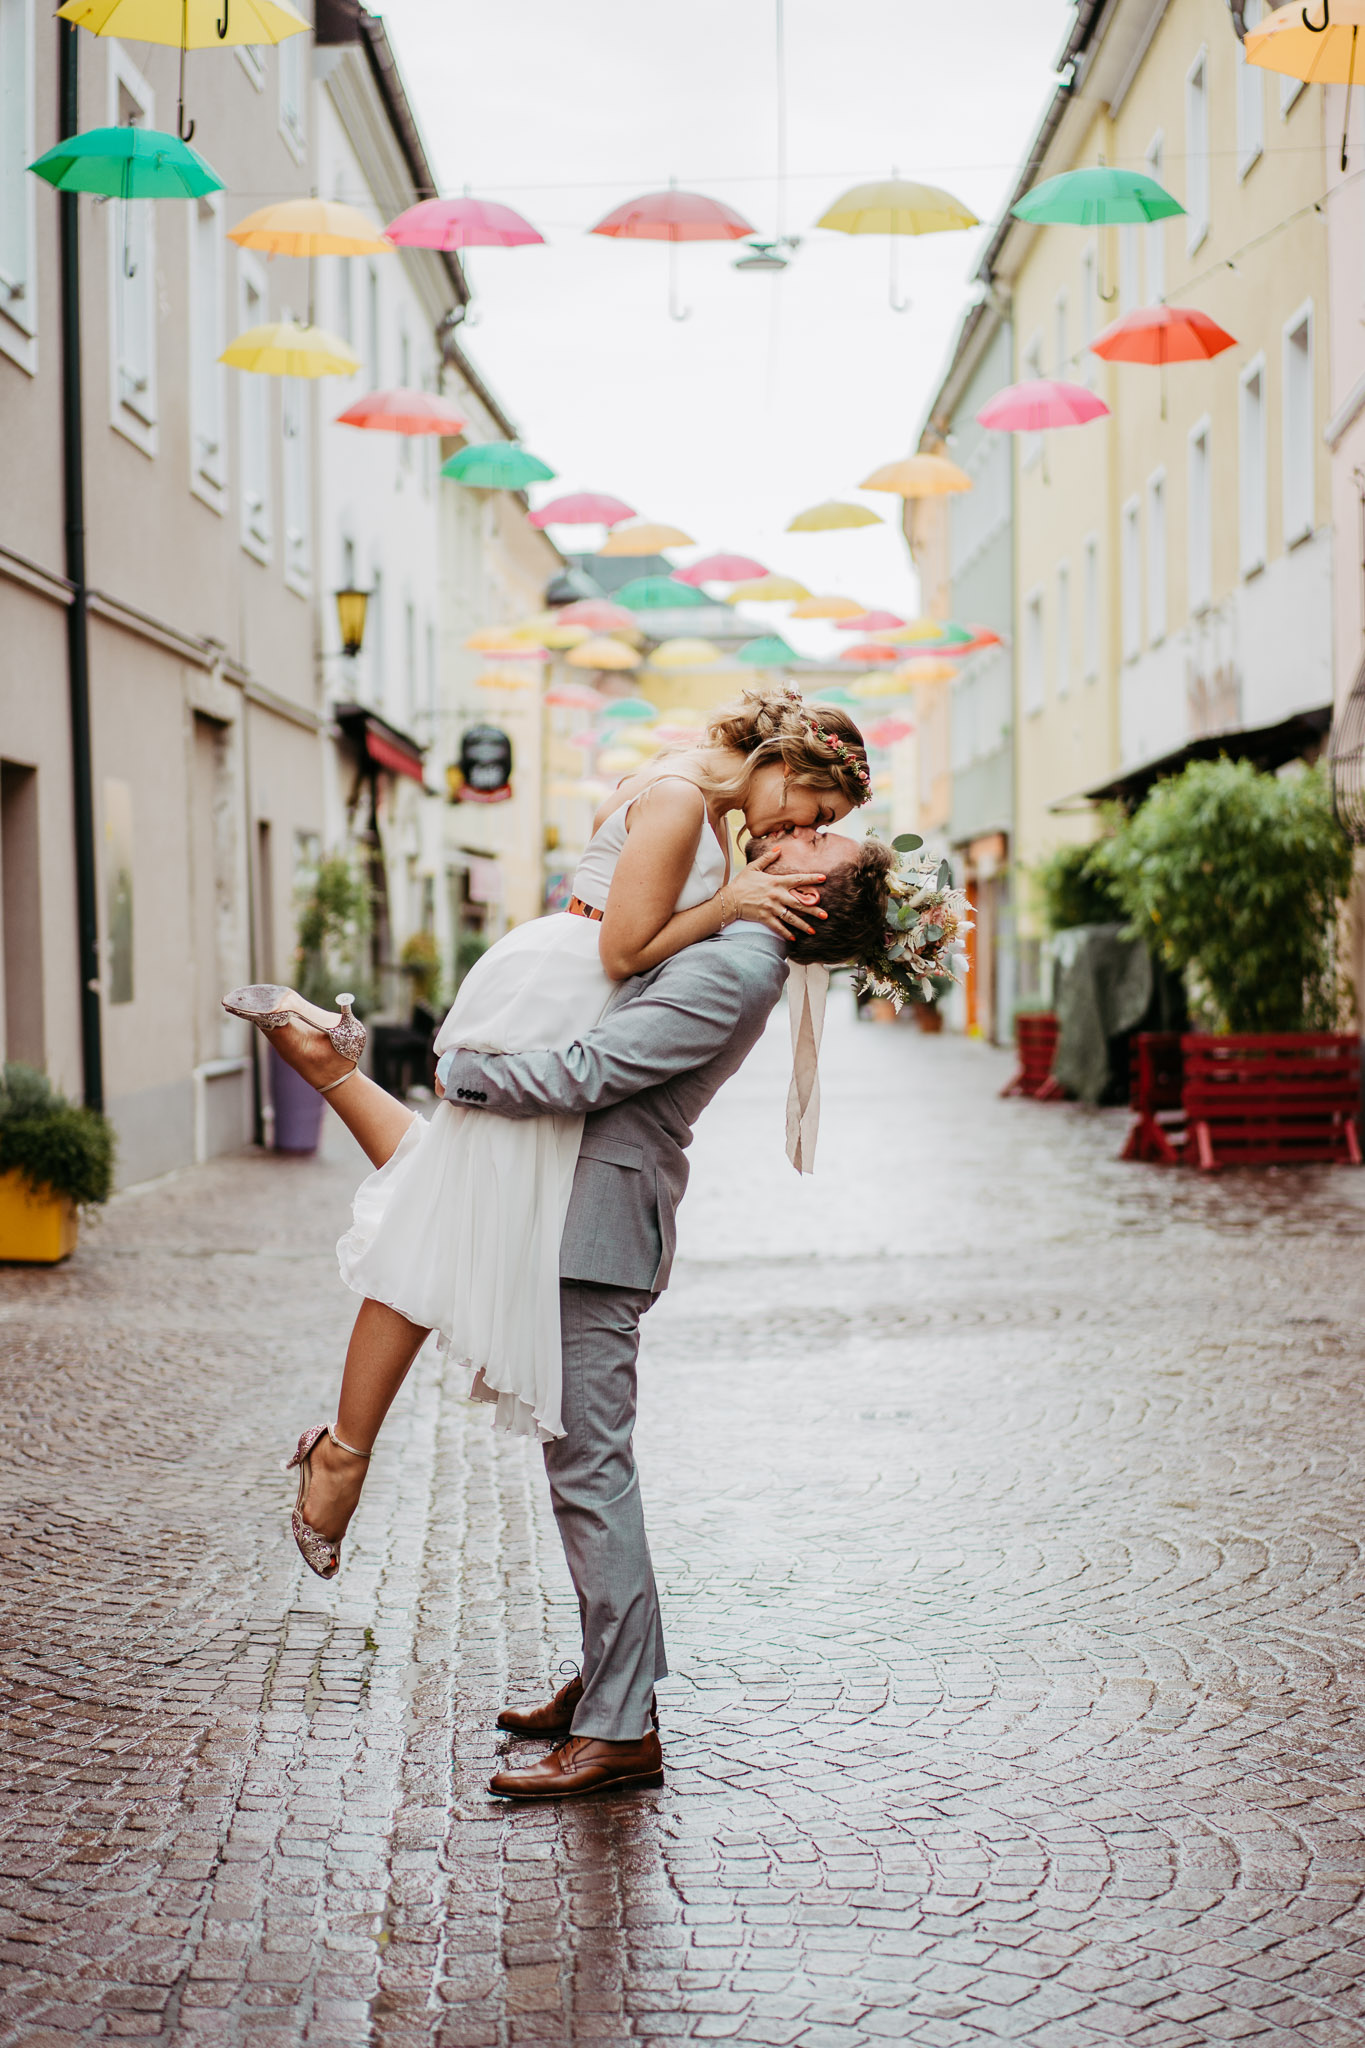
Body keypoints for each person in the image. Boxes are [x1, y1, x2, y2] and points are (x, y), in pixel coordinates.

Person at [253, 822, 896, 1799]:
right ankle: (611, 1680)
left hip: (596, 1224)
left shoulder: (739, 964)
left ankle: (621, 1726)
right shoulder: (730, 933)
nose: (801, 828)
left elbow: (597, 1066)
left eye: (819, 838)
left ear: (812, 896)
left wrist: (467, 1073)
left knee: (592, 1469)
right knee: (581, 1463)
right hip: (569, 1198)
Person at [224, 687, 871, 1576]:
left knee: (442, 1195)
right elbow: (624, 951)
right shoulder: (686, 800)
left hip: (551, 978)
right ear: (790, 764)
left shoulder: (701, 800)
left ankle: (330, 1065)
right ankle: (341, 1456)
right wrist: (731, 907)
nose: (799, 829)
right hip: (566, 987)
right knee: (433, 1220)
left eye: (820, 827)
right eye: (817, 809)